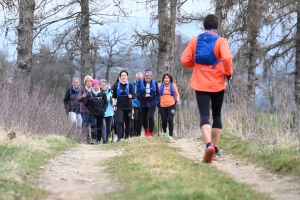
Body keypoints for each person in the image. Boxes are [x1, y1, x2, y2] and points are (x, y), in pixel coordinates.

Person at [181, 14, 233, 163]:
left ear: (204, 26)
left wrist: (195, 64)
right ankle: (215, 149)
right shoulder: (221, 41)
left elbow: (185, 59)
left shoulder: (195, 40)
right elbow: (227, 58)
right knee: (216, 115)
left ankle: (208, 145)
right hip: (217, 83)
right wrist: (228, 73)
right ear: (218, 26)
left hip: (200, 82)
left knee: (204, 115)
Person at [112, 70, 136, 142]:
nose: (124, 77)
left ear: (127, 77)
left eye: (125, 75)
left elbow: (134, 96)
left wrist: (131, 96)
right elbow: (113, 97)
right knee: (119, 121)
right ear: (120, 77)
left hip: (128, 106)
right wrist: (114, 105)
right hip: (120, 106)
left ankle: (126, 137)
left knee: (128, 122)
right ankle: (119, 138)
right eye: (122, 75)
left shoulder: (130, 85)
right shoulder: (116, 86)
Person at [84, 79, 108, 144]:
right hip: (92, 112)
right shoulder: (89, 93)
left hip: (100, 113)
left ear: (99, 86)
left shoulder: (103, 93)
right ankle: (94, 139)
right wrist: (88, 99)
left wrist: (103, 109)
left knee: (99, 127)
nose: (96, 87)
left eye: (97, 85)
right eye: (95, 85)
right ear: (93, 86)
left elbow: (106, 102)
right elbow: (85, 104)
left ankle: (98, 140)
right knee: (93, 125)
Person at [137, 69, 159, 138]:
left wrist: (157, 101)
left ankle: (150, 133)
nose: (148, 80)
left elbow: (157, 93)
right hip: (143, 103)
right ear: (144, 77)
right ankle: (146, 130)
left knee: (151, 117)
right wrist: (141, 96)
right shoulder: (140, 83)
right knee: (144, 119)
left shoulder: (154, 83)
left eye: (149, 78)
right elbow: (137, 93)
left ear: (151, 77)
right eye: (147, 78)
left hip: (152, 102)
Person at [158, 73, 180, 140]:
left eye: (168, 78)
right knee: (164, 121)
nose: (166, 79)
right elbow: (156, 94)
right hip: (162, 105)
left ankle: (171, 135)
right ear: (163, 79)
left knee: (170, 119)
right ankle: (165, 132)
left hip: (171, 104)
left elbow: (177, 94)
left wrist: (178, 101)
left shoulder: (173, 85)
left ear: (170, 79)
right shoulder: (159, 85)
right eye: (165, 78)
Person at [77, 75, 94, 143]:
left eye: (90, 81)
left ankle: (93, 139)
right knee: (85, 124)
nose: (89, 82)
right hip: (84, 109)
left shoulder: (93, 89)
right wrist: (83, 97)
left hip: (92, 110)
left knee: (92, 124)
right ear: (85, 82)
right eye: (87, 81)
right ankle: (87, 139)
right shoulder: (82, 89)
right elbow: (78, 99)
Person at [132, 72, 143, 136]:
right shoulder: (132, 84)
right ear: (136, 78)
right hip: (134, 104)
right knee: (135, 118)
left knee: (140, 120)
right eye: (138, 79)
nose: (139, 80)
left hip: (142, 105)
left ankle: (139, 133)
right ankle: (134, 132)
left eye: (141, 79)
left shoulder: (144, 84)